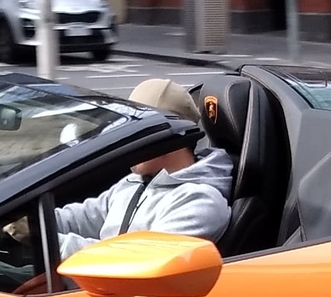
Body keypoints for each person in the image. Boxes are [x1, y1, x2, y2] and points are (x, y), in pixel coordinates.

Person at [55, 78, 234, 247]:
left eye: (139, 131)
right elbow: (78, 220)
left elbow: (136, 261)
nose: (128, 141)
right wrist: (31, 223)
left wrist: (53, 245)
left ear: (171, 136)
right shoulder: (133, 183)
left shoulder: (200, 203)